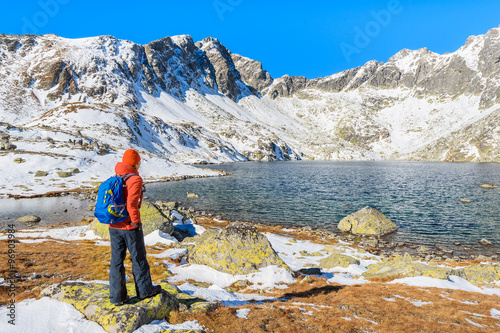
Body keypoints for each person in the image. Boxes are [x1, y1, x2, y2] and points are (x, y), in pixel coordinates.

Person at [109, 149, 161, 305]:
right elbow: (132, 204)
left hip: (114, 226)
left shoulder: (115, 177)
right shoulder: (135, 180)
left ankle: (117, 297)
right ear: (135, 163)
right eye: (139, 162)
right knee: (138, 258)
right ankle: (144, 291)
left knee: (116, 261)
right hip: (129, 227)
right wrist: (136, 222)